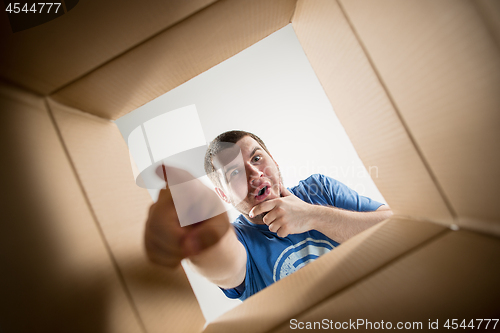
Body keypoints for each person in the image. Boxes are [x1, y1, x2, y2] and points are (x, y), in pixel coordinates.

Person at [145, 130, 392, 301]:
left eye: (257, 158)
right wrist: (203, 231)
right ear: (223, 194)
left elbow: (401, 223)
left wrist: (313, 215)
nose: (254, 173)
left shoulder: (320, 189)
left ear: (273, 159)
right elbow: (225, 263)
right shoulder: (239, 238)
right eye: (234, 173)